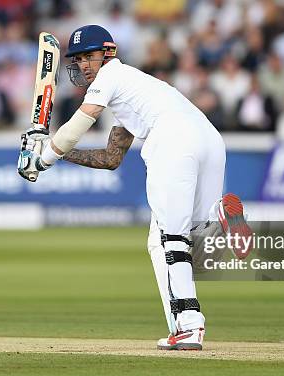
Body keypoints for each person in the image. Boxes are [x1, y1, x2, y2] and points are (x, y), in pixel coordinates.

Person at [18, 25, 250, 350]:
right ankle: (216, 231)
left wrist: (43, 158)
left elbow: (78, 125)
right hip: (209, 139)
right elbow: (111, 157)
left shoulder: (110, 78)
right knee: (176, 240)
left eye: (90, 56)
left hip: (172, 140)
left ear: (108, 53)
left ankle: (191, 323)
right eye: (79, 58)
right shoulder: (135, 90)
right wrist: (60, 154)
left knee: (172, 237)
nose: (84, 64)